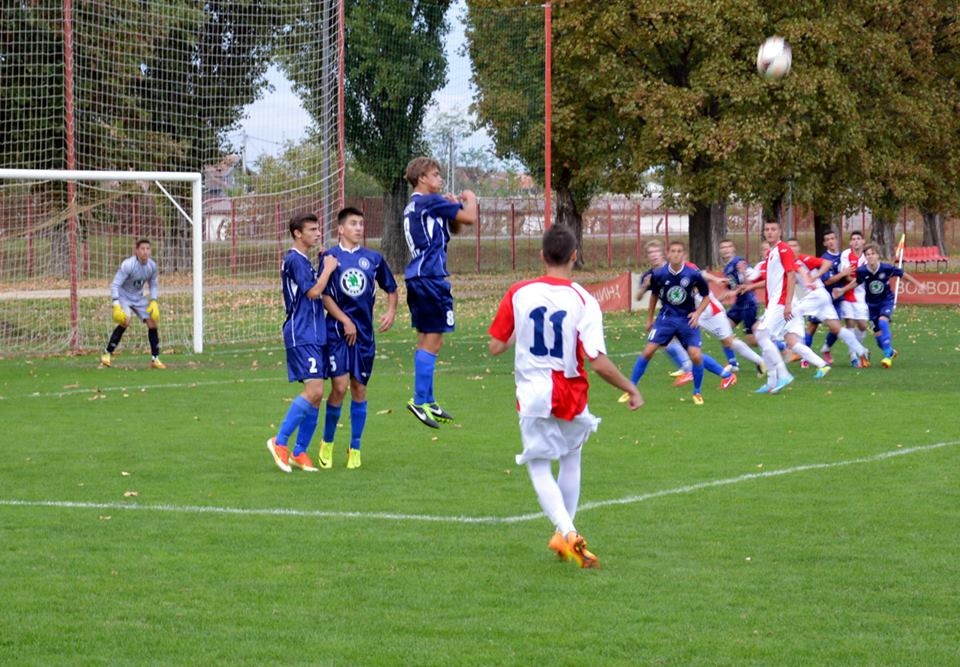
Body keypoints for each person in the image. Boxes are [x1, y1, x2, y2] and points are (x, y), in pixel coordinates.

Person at [488, 225, 643, 569]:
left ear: (542, 255)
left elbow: (496, 346)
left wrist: (521, 331)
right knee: (572, 458)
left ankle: (568, 531)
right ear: (575, 255)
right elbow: (598, 361)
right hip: (570, 391)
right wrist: (630, 387)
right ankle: (564, 535)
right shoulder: (584, 300)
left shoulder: (519, 292)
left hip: (533, 392)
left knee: (539, 465)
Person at [318, 207, 399, 470]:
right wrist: (345, 321)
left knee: (359, 388)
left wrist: (391, 311)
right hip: (337, 333)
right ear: (341, 229)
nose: (359, 228)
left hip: (364, 335)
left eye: (361, 224)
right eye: (353, 223)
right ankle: (327, 442)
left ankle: (355, 448)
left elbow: (392, 288)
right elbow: (325, 296)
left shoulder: (373, 259)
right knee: (339, 387)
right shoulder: (329, 257)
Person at [402, 156, 478, 429]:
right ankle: (419, 400)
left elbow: (455, 227)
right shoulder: (429, 201)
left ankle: (428, 400)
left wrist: (451, 205)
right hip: (431, 279)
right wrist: (470, 199)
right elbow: (469, 218)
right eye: (435, 174)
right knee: (433, 340)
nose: (440, 178)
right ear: (422, 178)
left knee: (427, 339)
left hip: (418, 277)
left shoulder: (417, 205)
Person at [266, 212, 338, 473]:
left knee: (317, 395)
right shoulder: (294, 259)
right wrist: (328, 269)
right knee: (314, 391)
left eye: (318, 229)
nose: (318, 233)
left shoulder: (304, 260)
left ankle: (299, 451)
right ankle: (280, 441)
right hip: (301, 332)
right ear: (297, 233)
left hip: (315, 333)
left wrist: (322, 263)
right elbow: (313, 291)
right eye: (312, 229)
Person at [628, 241, 715, 405]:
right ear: (668, 254)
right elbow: (654, 296)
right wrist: (649, 319)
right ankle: (631, 388)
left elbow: (706, 297)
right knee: (648, 351)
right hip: (666, 319)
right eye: (673, 251)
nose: (676, 254)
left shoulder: (693, 275)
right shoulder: (659, 274)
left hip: (686, 319)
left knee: (696, 355)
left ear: (684, 255)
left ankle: (697, 392)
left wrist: (697, 313)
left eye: (679, 251)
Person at [748, 219, 830, 394]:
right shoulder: (771, 252)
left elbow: (791, 275)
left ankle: (784, 375)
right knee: (765, 337)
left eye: (773, 229)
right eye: (767, 229)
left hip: (782, 301)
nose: (769, 232)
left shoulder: (783, 249)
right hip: (775, 302)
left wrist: (787, 303)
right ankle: (771, 382)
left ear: (780, 232)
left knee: (761, 335)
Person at [786, 238, 871, 368]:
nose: (792, 249)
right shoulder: (787, 263)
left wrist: (815, 276)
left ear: (799, 248)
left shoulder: (804, 259)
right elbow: (795, 282)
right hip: (820, 297)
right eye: (789, 246)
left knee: (793, 313)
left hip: (817, 295)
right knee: (836, 328)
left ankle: (797, 349)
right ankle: (862, 351)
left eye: (794, 246)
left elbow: (827, 263)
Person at [855, 243, 926, 367]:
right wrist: (842, 290)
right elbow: (857, 282)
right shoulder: (861, 271)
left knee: (883, 322)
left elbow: (903, 274)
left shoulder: (886, 268)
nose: (870, 256)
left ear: (878, 255)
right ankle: (891, 351)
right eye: (868, 254)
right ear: (865, 257)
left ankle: (888, 355)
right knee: (879, 339)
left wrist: (918, 285)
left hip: (886, 301)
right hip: (871, 305)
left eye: (873, 253)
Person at [100, 239, 165, 369]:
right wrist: (116, 304)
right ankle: (107, 354)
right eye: (142, 249)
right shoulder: (128, 264)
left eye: (148, 249)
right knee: (126, 321)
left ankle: (155, 359)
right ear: (137, 250)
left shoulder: (152, 266)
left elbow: (153, 284)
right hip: (123, 295)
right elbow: (115, 285)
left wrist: (154, 300)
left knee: (152, 322)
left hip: (138, 297)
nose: (145, 251)